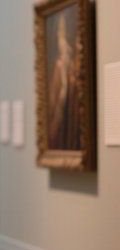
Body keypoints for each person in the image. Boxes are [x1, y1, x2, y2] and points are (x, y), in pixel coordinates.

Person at [47, 11, 80, 150]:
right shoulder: (59, 68)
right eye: (60, 35)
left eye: (64, 35)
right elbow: (53, 112)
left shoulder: (75, 69)